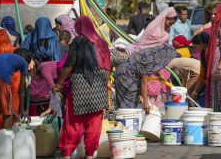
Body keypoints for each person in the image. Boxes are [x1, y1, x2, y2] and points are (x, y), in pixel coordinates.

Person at [53, 16, 111, 158]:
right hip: (99, 86)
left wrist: (59, 84)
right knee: (94, 122)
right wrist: (104, 84)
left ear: (78, 27)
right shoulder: (101, 42)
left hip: (79, 87)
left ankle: (67, 154)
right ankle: (90, 155)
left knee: (74, 122)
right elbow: (107, 68)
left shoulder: (77, 42)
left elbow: (69, 65)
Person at [0, 49, 34, 131]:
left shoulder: (3, 56)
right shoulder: (23, 62)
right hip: (1, 82)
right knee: (7, 115)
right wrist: (22, 111)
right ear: (25, 60)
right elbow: (21, 89)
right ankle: (6, 139)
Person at [115, 44, 178, 110]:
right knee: (128, 102)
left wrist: (160, 74)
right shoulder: (151, 61)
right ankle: (126, 118)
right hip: (125, 75)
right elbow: (144, 81)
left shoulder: (152, 53)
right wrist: (146, 103)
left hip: (123, 72)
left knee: (126, 102)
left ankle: (124, 118)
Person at [203, 3, 221, 110]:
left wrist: (218, 69)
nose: (212, 17)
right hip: (215, 65)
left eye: (215, 14)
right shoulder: (215, 26)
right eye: (211, 14)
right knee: (215, 95)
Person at [189, 33, 209, 106]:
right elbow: (202, 75)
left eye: (195, 47)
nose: (194, 50)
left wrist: (195, 93)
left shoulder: (210, 52)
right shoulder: (203, 54)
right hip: (206, 80)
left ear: (201, 44)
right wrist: (195, 92)